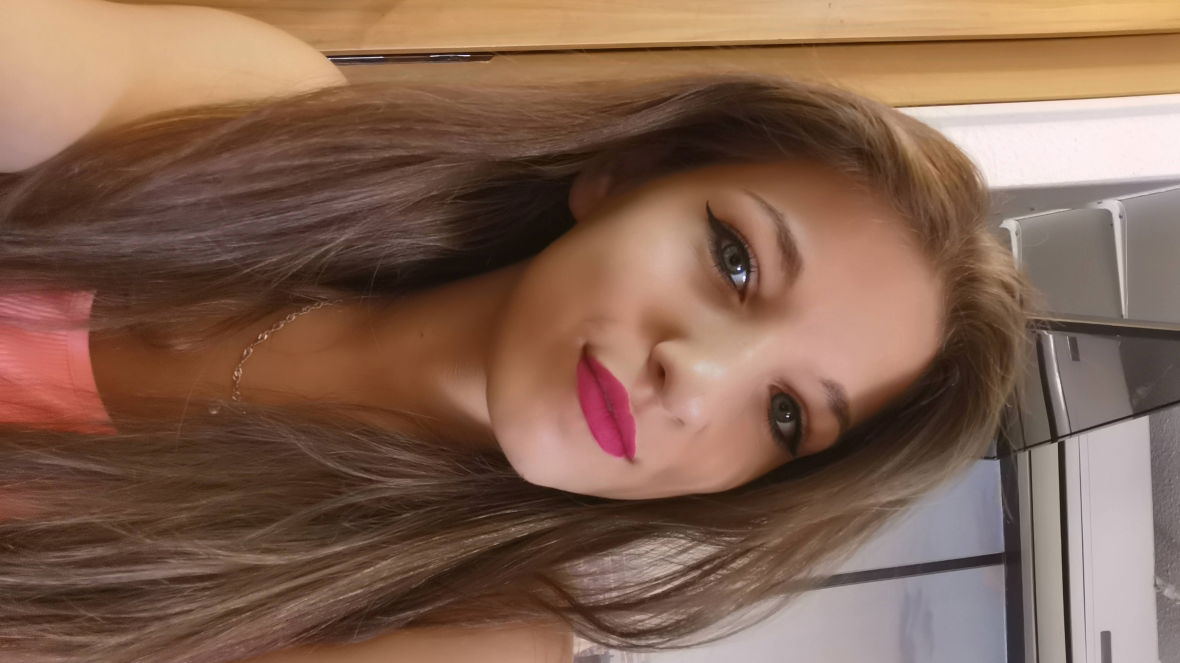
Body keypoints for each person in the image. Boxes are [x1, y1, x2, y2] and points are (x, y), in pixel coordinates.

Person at [0, 1, 1033, 662]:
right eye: (735, 262)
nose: (694, 375)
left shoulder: (463, 638)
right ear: (625, 176)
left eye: (785, 414)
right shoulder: (252, 123)